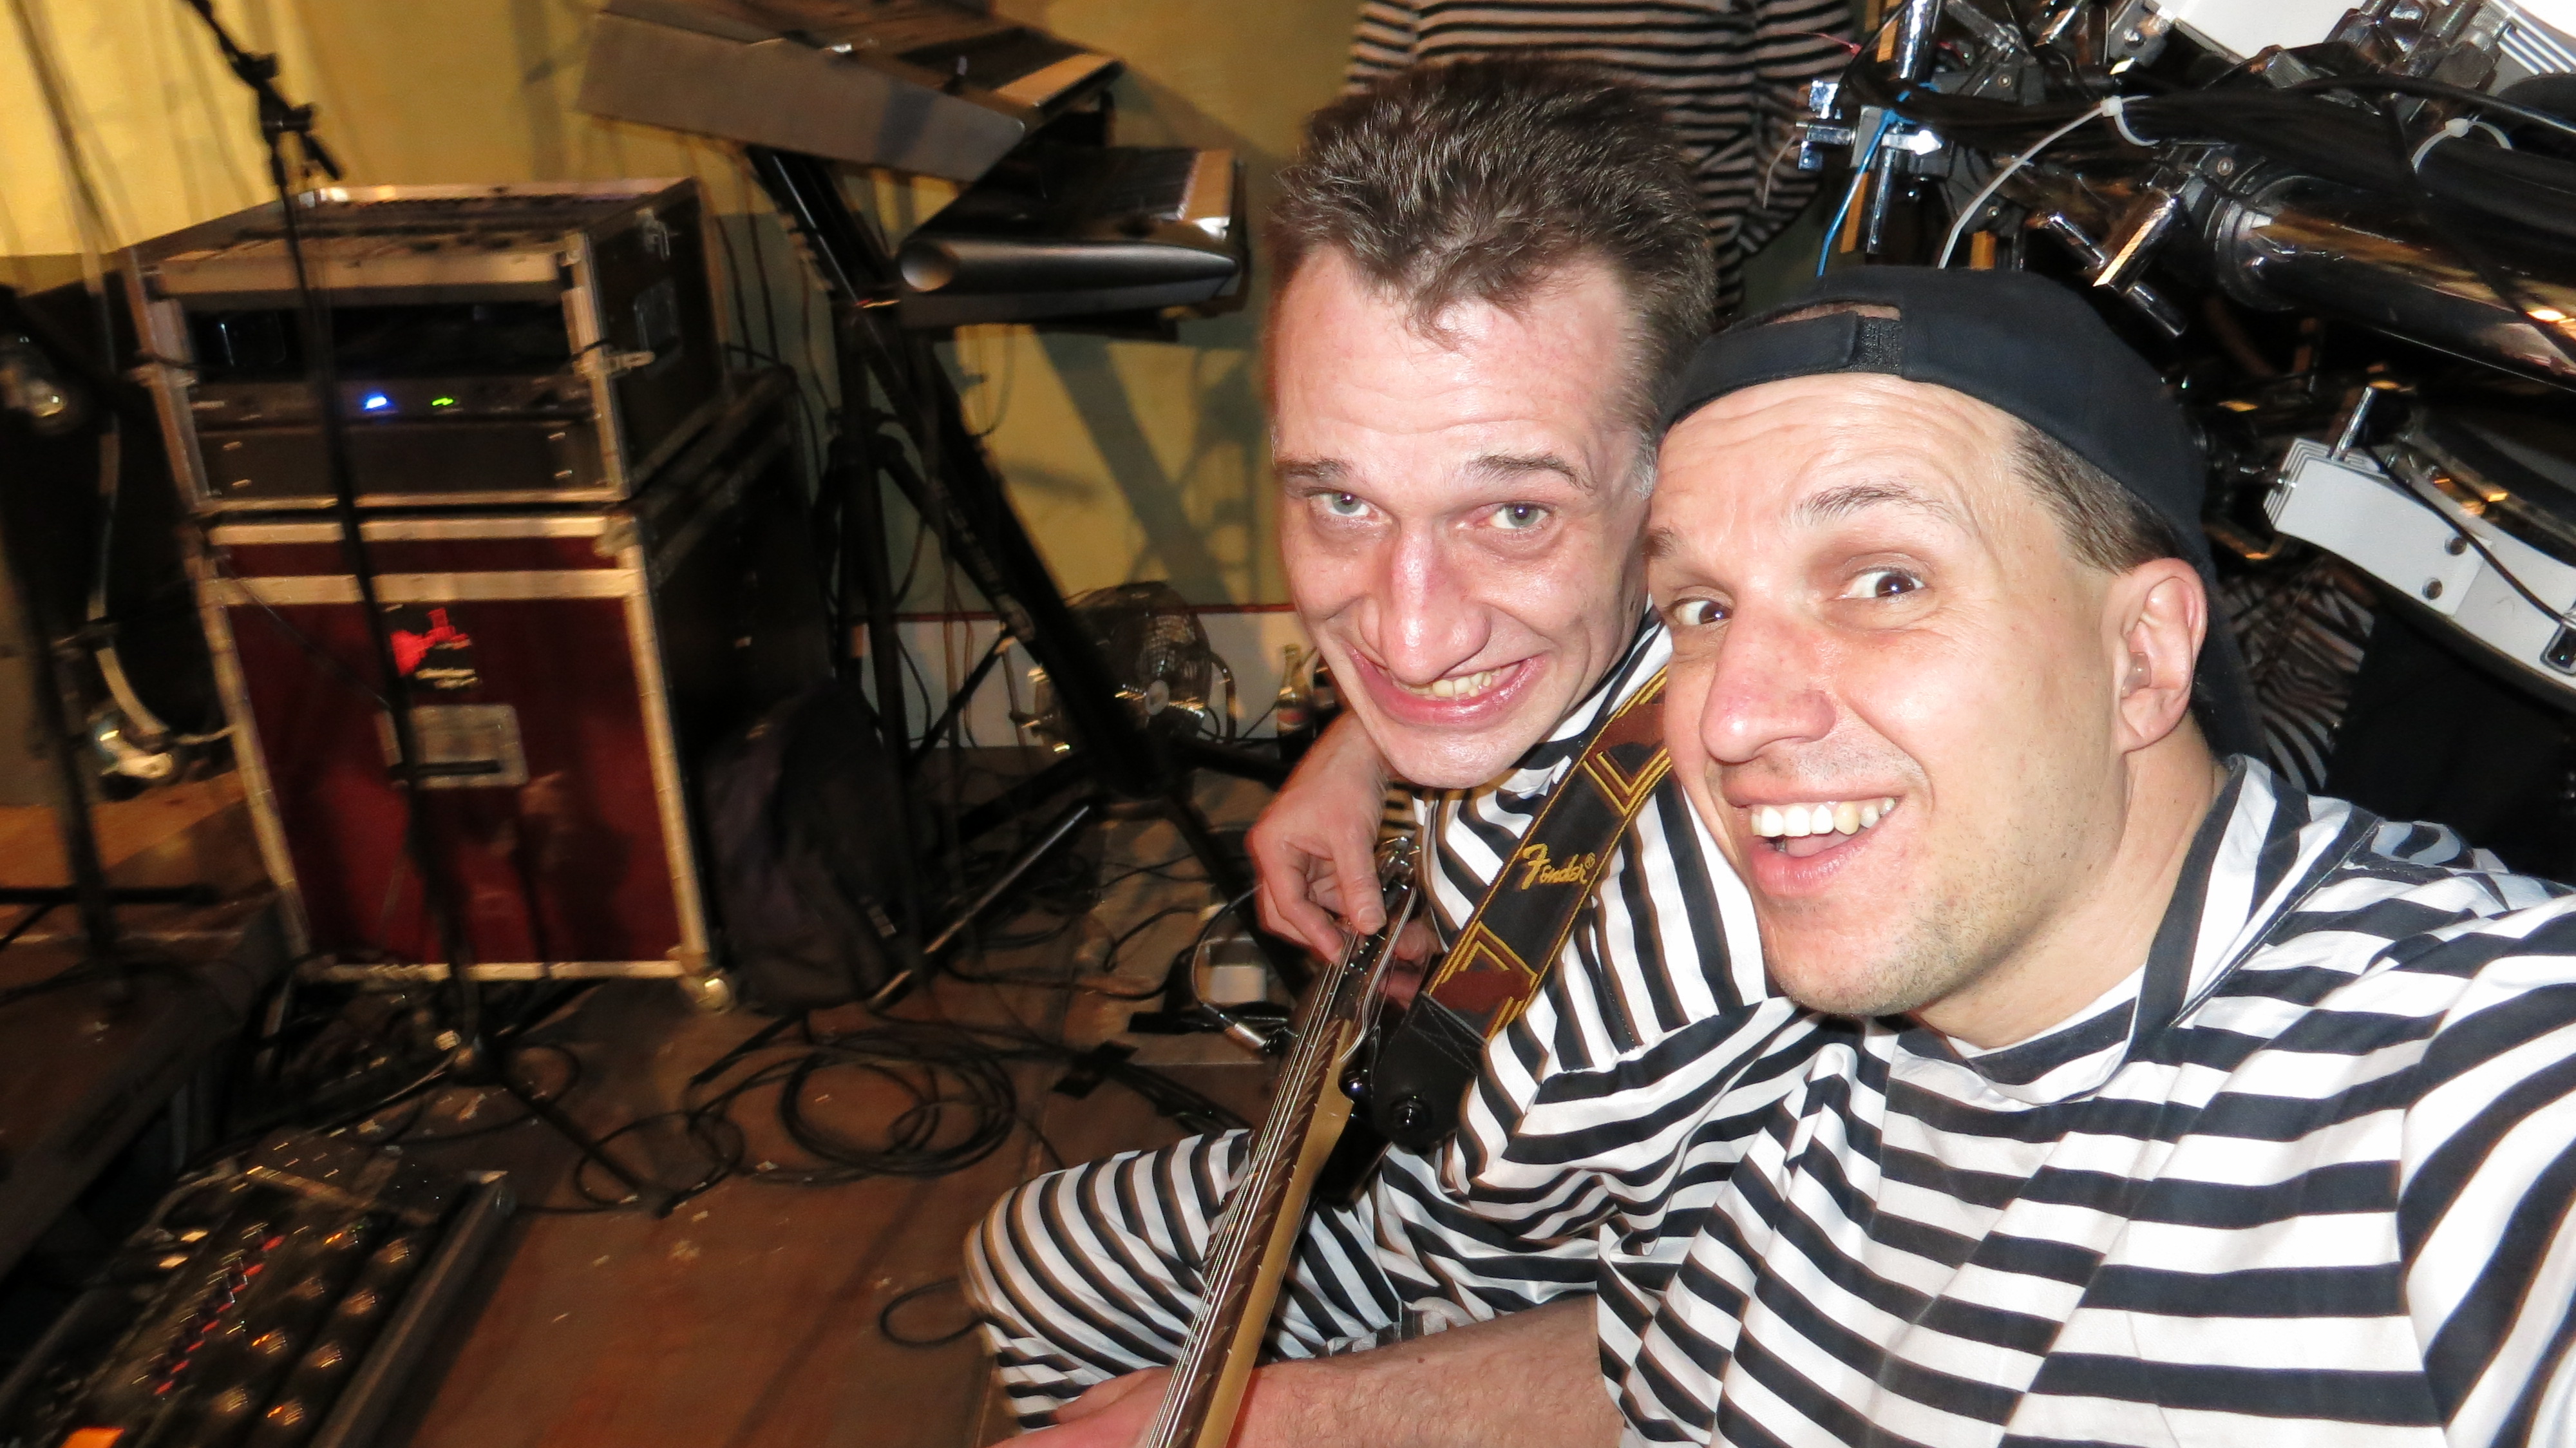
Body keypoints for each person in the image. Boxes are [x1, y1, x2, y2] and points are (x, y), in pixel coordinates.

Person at [964, 59, 1825, 1446]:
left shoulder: (1745, 934)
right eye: (1342, 501)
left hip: (1578, 1323)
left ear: (1673, 477)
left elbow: (1744, 1353)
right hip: (1438, 1175)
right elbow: (1424, 675)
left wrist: (1285, 1416)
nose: (1410, 637)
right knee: (1038, 1255)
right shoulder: (1609, 642)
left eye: (1513, 513)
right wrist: (1359, 754)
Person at [1631, 265, 2576, 1443]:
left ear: (2143, 654)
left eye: (1885, 582)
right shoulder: (1825, 1091)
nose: (1732, 718)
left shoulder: (2485, 1067)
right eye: (1702, 610)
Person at [1346, 0, 1853, 316]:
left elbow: (1822, 106)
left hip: (1662, 297)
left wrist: (1719, 236)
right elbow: (1370, 125)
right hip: (1450, 293)